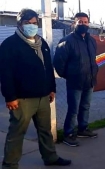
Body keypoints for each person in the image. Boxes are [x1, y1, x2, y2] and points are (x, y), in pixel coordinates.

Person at [0, 8, 71, 168]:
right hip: (22, 99)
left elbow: (48, 68)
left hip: (43, 97)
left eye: (34, 23)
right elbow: (5, 74)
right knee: (17, 133)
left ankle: (50, 157)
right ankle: (10, 165)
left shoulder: (42, 43)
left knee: (45, 131)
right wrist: (10, 97)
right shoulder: (9, 45)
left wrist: (51, 88)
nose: (32, 26)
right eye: (28, 23)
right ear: (19, 24)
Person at [53, 12, 98, 147]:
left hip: (89, 81)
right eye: (80, 22)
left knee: (85, 106)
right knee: (73, 109)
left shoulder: (91, 41)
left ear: (88, 23)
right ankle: (69, 134)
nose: (83, 24)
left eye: (85, 22)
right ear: (74, 23)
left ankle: (82, 129)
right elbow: (58, 63)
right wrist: (69, 75)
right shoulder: (66, 41)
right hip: (75, 82)